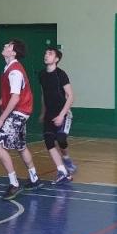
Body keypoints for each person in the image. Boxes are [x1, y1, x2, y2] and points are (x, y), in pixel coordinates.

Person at [0, 39, 41, 201]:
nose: (5, 46)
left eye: (9, 45)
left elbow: (16, 97)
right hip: (22, 112)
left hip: (18, 113)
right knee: (21, 146)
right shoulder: (9, 68)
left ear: (13, 52)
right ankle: (34, 178)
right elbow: (11, 94)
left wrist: (1, 119)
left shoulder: (15, 71)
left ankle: (14, 184)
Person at [38, 46, 77, 185]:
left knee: (61, 139)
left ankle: (66, 159)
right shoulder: (42, 75)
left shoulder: (61, 74)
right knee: (49, 142)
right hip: (49, 114)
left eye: (50, 53)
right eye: (45, 53)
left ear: (56, 59)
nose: (46, 55)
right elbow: (44, 95)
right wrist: (43, 112)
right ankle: (62, 172)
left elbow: (71, 96)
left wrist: (61, 115)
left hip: (63, 113)